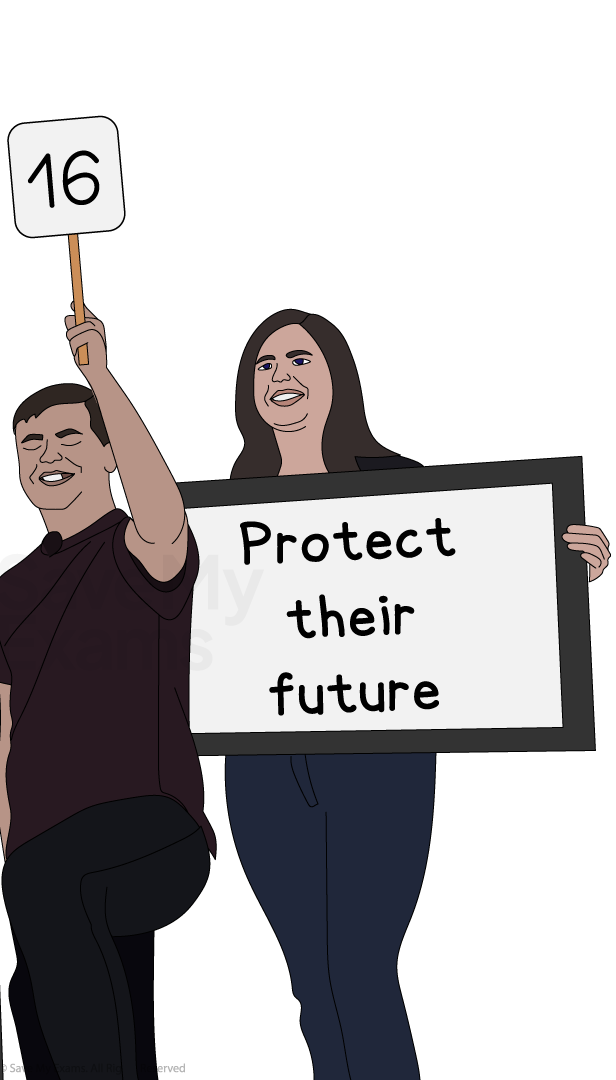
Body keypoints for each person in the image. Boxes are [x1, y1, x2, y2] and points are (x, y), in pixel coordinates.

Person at [225, 309, 608, 1080]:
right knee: (310, 981)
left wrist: (567, 562)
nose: (281, 378)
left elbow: (470, 582)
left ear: (337, 377)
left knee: (361, 968)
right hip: (263, 768)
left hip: (379, 760)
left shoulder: (399, 487)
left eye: (300, 359)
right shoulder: (228, 504)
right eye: (264, 366)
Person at [0, 306, 216, 1080]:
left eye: (68, 438)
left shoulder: (137, 547)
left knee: (52, 893)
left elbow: (166, 511)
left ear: (108, 452)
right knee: (43, 1003)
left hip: (153, 829)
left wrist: (100, 373)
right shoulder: (13, 588)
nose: (48, 455)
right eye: (31, 444)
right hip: (45, 851)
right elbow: (7, 730)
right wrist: (9, 837)